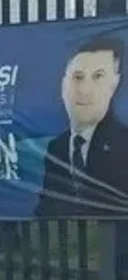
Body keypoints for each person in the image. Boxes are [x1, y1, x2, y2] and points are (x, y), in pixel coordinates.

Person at [35, 34, 128, 217]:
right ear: (63, 85)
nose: (85, 90)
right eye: (77, 77)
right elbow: (45, 210)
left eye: (98, 76)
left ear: (114, 84)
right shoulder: (56, 148)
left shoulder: (124, 142)